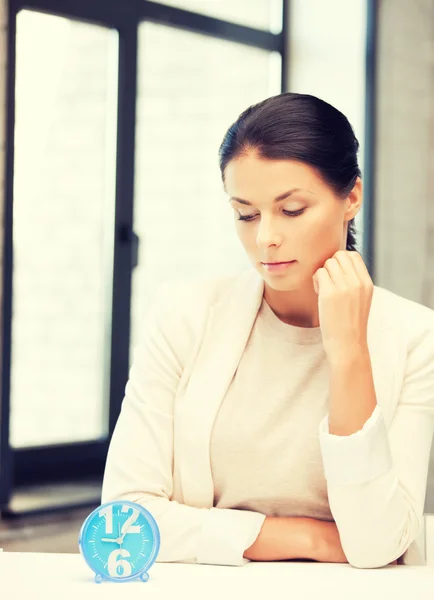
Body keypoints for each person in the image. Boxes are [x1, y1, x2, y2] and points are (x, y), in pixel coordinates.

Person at [101, 92, 434, 569]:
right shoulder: (185, 313)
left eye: (292, 209)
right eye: (246, 214)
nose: (265, 238)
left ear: (351, 197)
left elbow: (377, 544)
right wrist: (311, 539)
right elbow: (124, 519)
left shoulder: (415, 336)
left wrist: (348, 355)